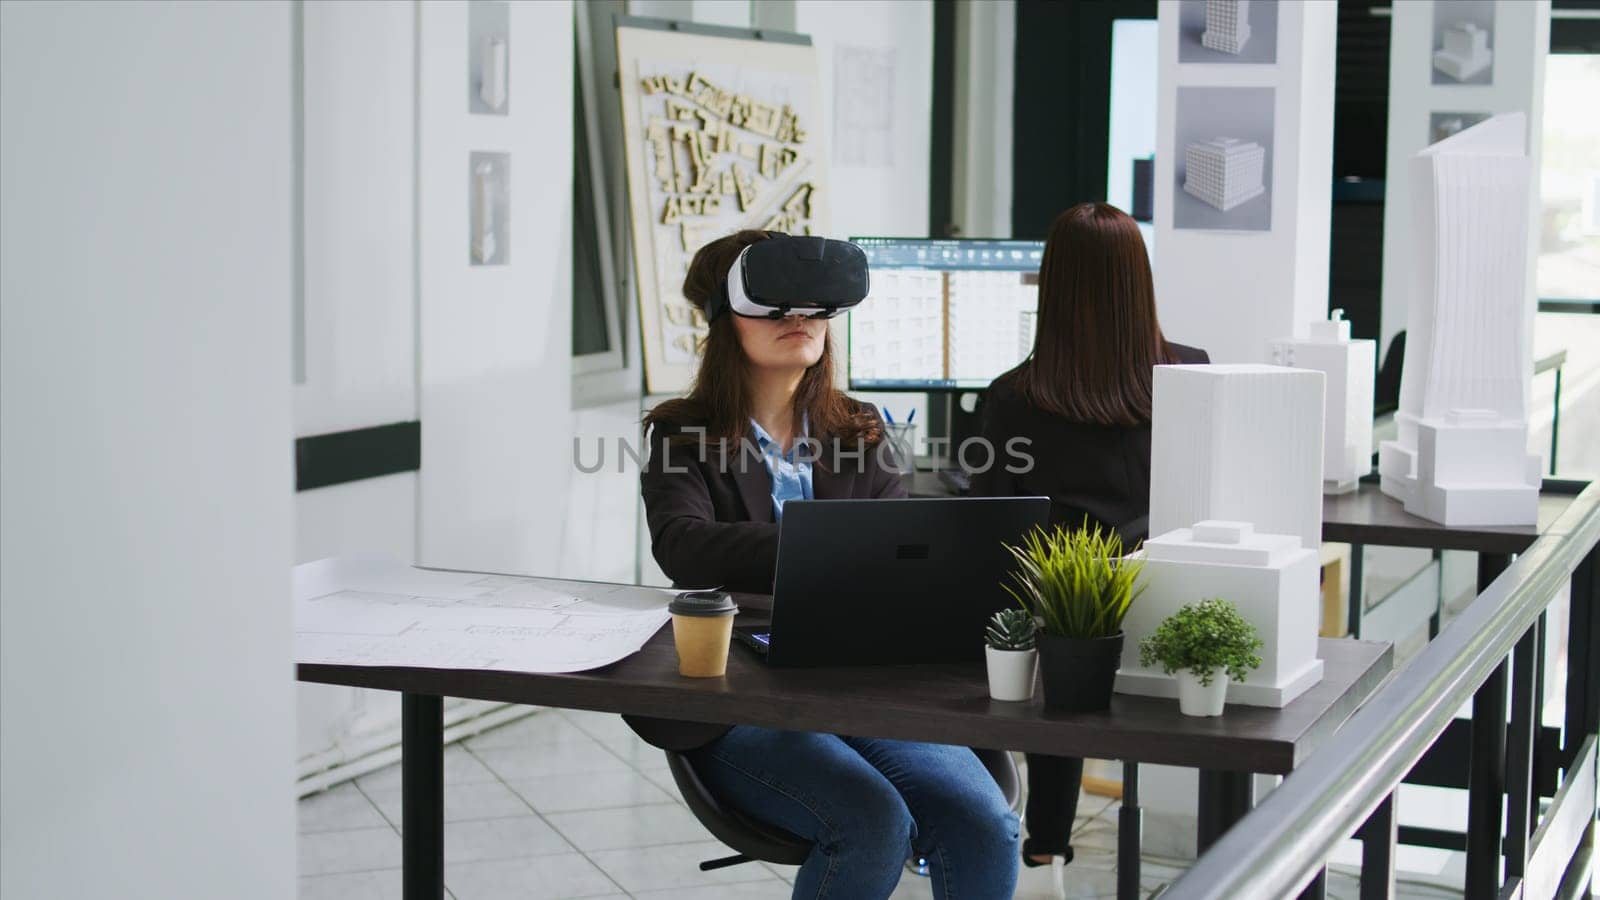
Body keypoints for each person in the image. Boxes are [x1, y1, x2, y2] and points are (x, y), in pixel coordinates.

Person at [636, 229, 1019, 899]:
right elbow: (683, 545)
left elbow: (898, 553)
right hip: (739, 693)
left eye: (815, 307)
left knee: (985, 821)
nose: (800, 321)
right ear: (727, 320)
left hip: (860, 681)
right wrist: (826, 545)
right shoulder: (682, 432)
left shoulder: (859, 428)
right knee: (871, 819)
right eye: (777, 305)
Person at [971, 202, 1208, 870]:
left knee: (1038, 630)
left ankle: (1044, 853)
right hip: (1177, 618)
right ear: (1141, 281)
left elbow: (991, 523)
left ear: (1053, 287)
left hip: (1064, 647)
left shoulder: (1013, 397)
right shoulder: (1192, 375)